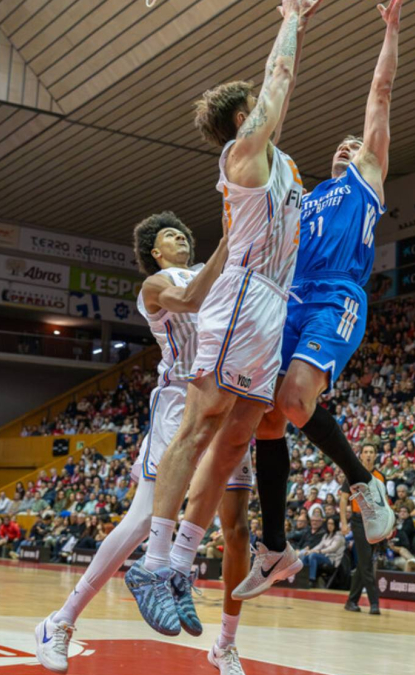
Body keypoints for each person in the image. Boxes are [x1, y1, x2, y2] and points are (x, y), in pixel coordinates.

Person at [126, 0, 321, 640]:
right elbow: (280, 85)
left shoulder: (286, 167)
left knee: (240, 435)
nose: (269, 110)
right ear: (244, 119)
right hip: (240, 297)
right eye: (258, 108)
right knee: (203, 418)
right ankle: (152, 562)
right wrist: (292, 18)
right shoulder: (245, 152)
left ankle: (181, 561)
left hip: (274, 302)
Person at [34, 212, 255, 675]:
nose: (181, 238)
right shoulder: (157, 283)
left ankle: (221, 637)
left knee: (236, 530)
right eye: (171, 235)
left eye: (183, 234)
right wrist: (230, 242)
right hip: (180, 400)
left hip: (229, 398)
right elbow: (192, 300)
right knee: (143, 520)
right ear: (155, 251)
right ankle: (59, 622)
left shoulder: (219, 268)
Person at [241, 0, 403, 600]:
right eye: (338, 145)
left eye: (353, 144)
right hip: (289, 299)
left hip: (337, 294)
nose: (346, 147)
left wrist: (391, 29)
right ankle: (276, 548)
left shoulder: (366, 179)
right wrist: (295, 25)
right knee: (265, 417)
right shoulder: (304, 199)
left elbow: (380, 94)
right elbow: (272, 113)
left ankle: (363, 483)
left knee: (295, 397)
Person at [343, 444, 388, 614]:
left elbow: (384, 502)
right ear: (361, 455)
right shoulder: (352, 473)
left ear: (376, 456)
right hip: (358, 521)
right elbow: (343, 498)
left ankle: (351, 601)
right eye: (366, 452)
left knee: (364, 563)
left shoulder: (380, 477)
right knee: (367, 562)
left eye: (371, 452)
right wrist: (343, 523)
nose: (368, 455)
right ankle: (374, 603)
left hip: (376, 521)